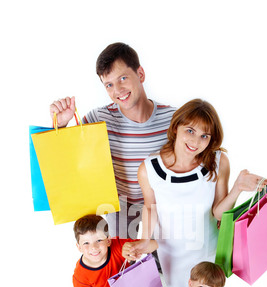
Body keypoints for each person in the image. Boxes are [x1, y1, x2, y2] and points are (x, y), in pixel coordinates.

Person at [128, 99, 267, 287]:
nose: (195, 141)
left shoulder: (218, 161)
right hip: (173, 250)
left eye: (204, 136)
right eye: (190, 131)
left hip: (207, 247)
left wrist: (237, 189)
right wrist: (144, 239)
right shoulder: (149, 169)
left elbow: (218, 213)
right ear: (176, 127)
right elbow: (150, 208)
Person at [50, 43, 176, 238]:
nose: (118, 90)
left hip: (162, 205)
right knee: (122, 262)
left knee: (165, 262)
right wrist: (62, 124)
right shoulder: (100, 118)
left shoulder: (173, 118)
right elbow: (66, 155)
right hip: (121, 206)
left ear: (140, 74)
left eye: (123, 78)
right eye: (109, 84)